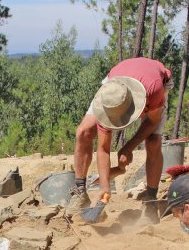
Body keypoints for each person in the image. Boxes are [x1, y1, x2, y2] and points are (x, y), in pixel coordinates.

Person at [68, 57, 173, 216]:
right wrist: (105, 187)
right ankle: (80, 192)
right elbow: (103, 149)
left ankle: (150, 200)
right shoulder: (109, 99)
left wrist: (127, 148)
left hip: (151, 82)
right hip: (116, 82)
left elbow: (152, 122)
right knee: (83, 132)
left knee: (153, 141)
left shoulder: (154, 90)